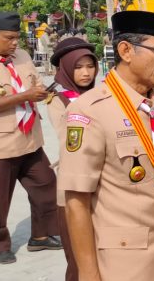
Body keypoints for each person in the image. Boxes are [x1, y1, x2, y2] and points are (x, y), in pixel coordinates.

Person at [59, 11, 154, 281]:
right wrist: (88, 273)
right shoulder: (90, 111)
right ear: (126, 51)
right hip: (125, 262)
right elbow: (76, 202)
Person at [0, 12, 62, 265]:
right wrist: (25, 96)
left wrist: (46, 94)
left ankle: (40, 236)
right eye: (9, 38)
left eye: (17, 37)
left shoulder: (23, 56)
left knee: (47, 188)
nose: (15, 43)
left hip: (30, 140)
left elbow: (36, 85)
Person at [46, 37, 99, 281]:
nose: (86, 73)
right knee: (79, 262)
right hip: (73, 188)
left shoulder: (103, 94)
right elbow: (70, 139)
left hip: (102, 187)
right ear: (66, 68)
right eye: (78, 67)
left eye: (90, 66)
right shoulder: (58, 100)